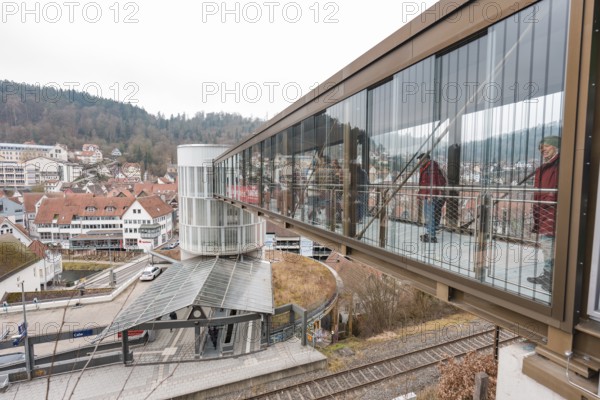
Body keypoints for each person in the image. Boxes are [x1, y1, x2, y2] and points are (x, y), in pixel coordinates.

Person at [527, 136, 560, 293]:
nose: (542, 150)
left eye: (546, 146)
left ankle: (551, 277)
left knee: (549, 244)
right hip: (545, 210)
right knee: (547, 244)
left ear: (555, 147)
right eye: (541, 148)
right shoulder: (547, 166)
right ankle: (548, 274)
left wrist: (547, 202)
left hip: (552, 210)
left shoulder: (559, 164)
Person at [417, 153, 446, 243]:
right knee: (428, 215)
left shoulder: (432, 167)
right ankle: (429, 233)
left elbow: (433, 181)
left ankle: (431, 235)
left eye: (421, 160)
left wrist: (431, 195)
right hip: (427, 194)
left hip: (430, 195)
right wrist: (420, 195)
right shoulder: (427, 167)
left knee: (429, 215)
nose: (419, 162)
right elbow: (424, 183)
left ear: (425, 159)